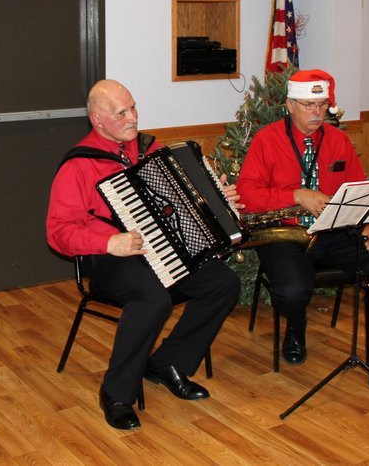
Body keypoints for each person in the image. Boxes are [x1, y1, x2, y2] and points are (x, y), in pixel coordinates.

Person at [235, 69, 369, 402]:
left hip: (333, 232)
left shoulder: (338, 140)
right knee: (291, 291)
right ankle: (296, 327)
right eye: (308, 105)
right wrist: (296, 195)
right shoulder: (266, 139)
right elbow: (246, 197)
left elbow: (361, 189)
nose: (317, 113)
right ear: (289, 105)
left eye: (322, 105)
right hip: (285, 234)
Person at [46, 79, 241, 430]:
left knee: (223, 283)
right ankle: (116, 393)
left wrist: (217, 198)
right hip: (111, 259)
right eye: (121, 113)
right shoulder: (78, 165)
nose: (133, 117)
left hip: (163, 250)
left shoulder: (151, 149)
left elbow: (182, 203)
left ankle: (167, 363)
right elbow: (58, 232)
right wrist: (110, 242)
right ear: (97, 120)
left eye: (133, 107)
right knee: (153, 300)